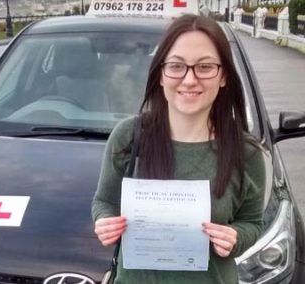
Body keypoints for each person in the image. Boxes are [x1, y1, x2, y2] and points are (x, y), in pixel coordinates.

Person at [92, 14, 265, 284]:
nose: (189, 80)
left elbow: (252, 222)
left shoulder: (246, 152)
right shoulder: (128, 136)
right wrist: (104, 222)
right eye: (176, 66)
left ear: (223, 77)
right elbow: (104, 202)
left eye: (205, 67)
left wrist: (237, 238)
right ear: (161, 75)